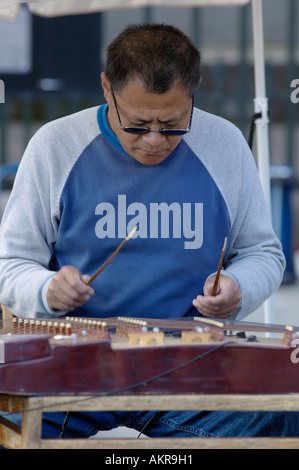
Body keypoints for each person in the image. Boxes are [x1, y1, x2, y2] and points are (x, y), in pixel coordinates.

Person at [0, 23, 297, 441]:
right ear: (107, 89)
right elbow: (11, 263)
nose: (155, 140)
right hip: (71, 365)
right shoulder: (55, 146)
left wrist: (236, 287)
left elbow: (263, 253)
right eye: (138, 125)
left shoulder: (225, 144)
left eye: (173, 124)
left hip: (189, 364)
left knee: (280, 415)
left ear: (194, 92)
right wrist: (47, 290)